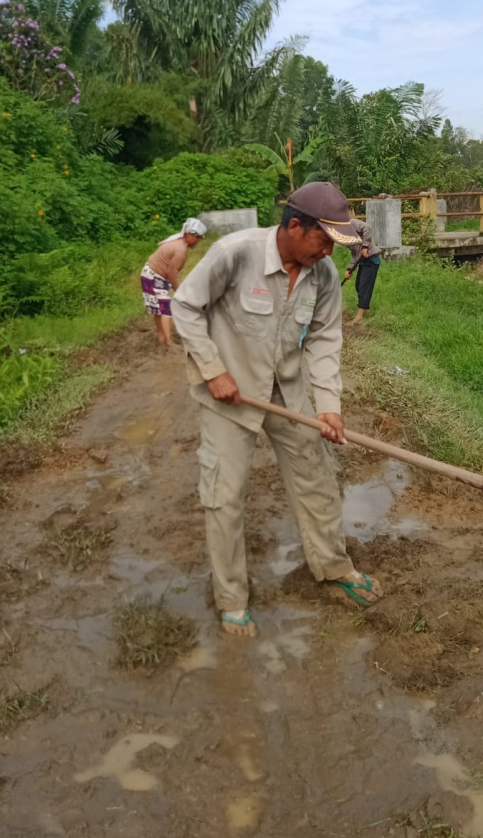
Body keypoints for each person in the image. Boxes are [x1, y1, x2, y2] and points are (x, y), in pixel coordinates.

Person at [171, 182, 384, 638]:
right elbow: (185, 306)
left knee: (317, 478)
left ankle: (332, 566)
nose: (328, 253)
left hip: (286, 394)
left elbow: (325, 342)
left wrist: (328, 407)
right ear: (293, 226)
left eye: (334, 245)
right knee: (224, 495)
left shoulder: (323, 277)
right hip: (229, 396)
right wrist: (212, 370)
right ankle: (232, 600)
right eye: (323, 240)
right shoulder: (236, 253)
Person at [141, 218, 207, 346]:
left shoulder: (178, 241)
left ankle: (162, 337)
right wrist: (179, 290)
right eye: (197, 237)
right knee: (166, 309)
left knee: (158, 308)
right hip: (154, 276)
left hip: (149, 272)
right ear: (189, 234)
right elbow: (172, 273)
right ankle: (169, 342)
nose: (198, 241)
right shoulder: (180, 250)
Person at [344, 216, 381, 325]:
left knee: (364, 287)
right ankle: (367, 310)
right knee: (358, 285)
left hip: (371, 259)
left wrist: (365, 246)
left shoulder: (351, 222)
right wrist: (350, 269)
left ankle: (359, 317)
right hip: (362, 261)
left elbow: (367, 228)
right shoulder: (344, 236)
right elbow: (355, 254)